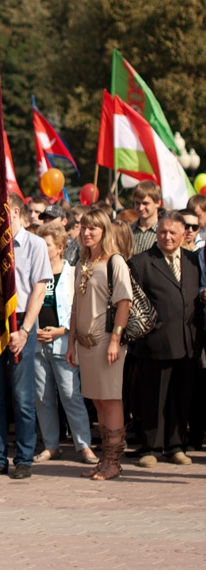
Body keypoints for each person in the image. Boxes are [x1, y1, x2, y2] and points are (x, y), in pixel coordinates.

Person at [0, 193, 52, 480]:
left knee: (22, 397)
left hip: (20, 323)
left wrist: (26, 330)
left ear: (15, 212)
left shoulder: (35, 244)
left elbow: (39, 290)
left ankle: (24, 458)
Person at [128, 210, 201, 468]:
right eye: (162, 232)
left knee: (181, 398)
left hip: (188, 343)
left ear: (184, 234)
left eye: (172, 232)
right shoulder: (141, 262)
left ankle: (175, 446)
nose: (167, 236)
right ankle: (150, 448)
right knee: (152, 398)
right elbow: (133, 306)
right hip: (155, 344)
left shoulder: (194, 261)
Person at [67, 208, 132, 480]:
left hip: (106, 341)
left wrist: (115, 340)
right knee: (98, 401)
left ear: (104, 231)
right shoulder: (83, 262)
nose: (86, 232)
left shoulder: (114, 261)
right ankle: (105, 459)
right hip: (85, 343)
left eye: (93, 228)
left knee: (111, 400)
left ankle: (113, 462)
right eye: (83, 227)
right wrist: (71, 344)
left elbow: (124, 303)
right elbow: (74, 308)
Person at [33, 223, 97, 465]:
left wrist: (61, 330)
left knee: (71, 395)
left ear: (60, 248)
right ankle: (51, 445)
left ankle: (84, 445)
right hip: (38, 343)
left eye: (47, 244)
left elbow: (79, 309)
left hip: (63, 343)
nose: (43, 248)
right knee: (42, 396)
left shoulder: (72, 273)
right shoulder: (34, 272)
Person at [131, 180, 162, 255]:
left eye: (145, 203)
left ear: (158, 203)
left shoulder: (164, 232)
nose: (141, 208)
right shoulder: (129, 230)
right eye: (137, 203)